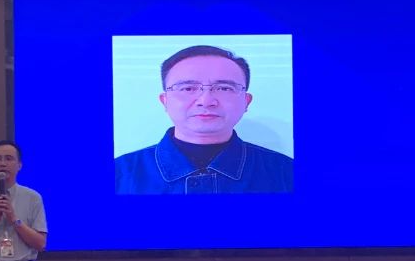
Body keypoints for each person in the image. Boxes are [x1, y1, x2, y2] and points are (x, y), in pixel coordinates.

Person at [114, 45, 294, 194]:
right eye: (187, 88)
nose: (206, 101)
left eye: (224, 88)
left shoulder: (286, 173)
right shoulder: (119, 174)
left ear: (246, 101)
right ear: (165, 101)